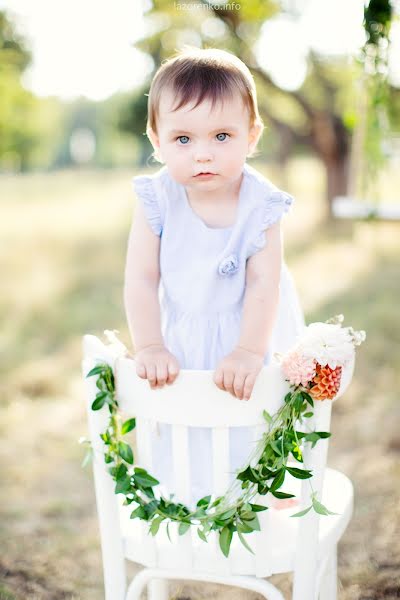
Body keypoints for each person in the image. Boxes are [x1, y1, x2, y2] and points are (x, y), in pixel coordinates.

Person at [124, 47, 305, 509]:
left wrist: (247, 351)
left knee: (249, 415)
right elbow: (141, 278)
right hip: (181, 333)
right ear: (156, 139)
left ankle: (254, 504)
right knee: (186, 418)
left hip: (249, 329)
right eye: (183, 139)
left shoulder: (261, 203)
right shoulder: (157, 199)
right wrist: (149, 345)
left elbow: (267, 284)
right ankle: (191, 501)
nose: (203, 153)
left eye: (222, 135)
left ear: (251, 135)